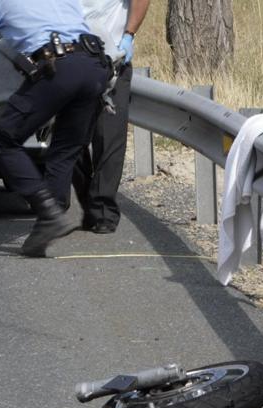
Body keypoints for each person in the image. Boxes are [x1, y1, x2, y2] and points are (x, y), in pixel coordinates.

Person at [0, 0, 114, 257]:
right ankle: (50, 221)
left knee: (3, 140)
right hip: (95, 65)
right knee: (65, 149)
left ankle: (48, 211)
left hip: (59, 66)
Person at [72, 0, 149, 235]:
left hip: (113, 59)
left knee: (109, 138)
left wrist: (129, 35)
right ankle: (89, 203)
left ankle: (104, 210)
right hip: (70, 60)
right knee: (70, 138)